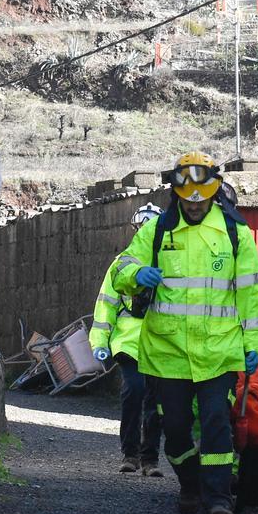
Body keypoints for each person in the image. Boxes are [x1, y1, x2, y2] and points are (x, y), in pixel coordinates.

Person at [113, 152, 258, 514]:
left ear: (214, 194)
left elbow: (251, 294)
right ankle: (190, 484)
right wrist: (138, 274)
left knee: (217, 421)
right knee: (176, 428)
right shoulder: (157, 232)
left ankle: (219, 498)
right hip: (169, 353)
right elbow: (121, 267)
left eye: (202, 200)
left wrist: (256, 343)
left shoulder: (235, 233)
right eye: (189, 201)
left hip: (218, 352)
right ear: (178, 196)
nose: (196, 207)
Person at [91, 203, 165, 476]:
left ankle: (150, 460)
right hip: (128, 342)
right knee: (134, 392)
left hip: (160, 342)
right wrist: (99, 342)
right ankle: (130, 454)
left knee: (156, 401)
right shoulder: (122, 264)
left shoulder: (168, 261)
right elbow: (105, 306)